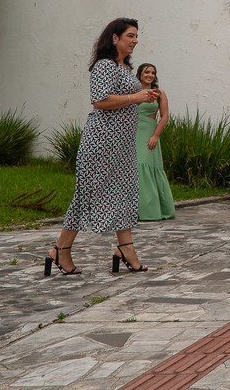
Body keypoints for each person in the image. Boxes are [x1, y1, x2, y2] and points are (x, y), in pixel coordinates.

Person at [45, 18, 155, 277]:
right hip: (102, 142)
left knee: (124, 192)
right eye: (130, 35)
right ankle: (61, 250)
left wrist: (142, 98)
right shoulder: (105, 66)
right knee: (88, 195)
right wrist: (135, 97)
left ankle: (125, 249)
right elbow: (100, 101)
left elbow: (124, 101)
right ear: (114, 38)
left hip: (122, 144)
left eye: (136, 36)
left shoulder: (124, 68)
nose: (135, 40)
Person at [135, 63, 176, 221]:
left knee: (144, 165)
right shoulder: (133, 92)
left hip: (149, 133)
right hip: (133, 133)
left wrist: (155, 136)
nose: (150, 75)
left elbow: (164, 116)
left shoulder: (159, 93)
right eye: (147, 72)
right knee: (133, 169)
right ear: (140, 74)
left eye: (153, 73)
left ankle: (150, 210)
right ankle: (135, 210)